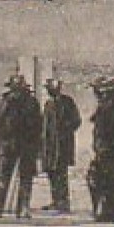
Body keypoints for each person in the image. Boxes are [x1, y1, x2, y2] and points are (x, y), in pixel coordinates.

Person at [0, 74, 40, 218]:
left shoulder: (31, 103)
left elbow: (38, 125)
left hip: (24, 145)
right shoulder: (5, 102)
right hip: (9, 144)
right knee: (3, 176)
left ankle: (22, 208)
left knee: (24, 177)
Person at [86, 77, 114, 222]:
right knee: (109, 179)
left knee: (110, 179)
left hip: (111, 150)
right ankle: (113, 210)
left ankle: (112, 211)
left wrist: (107, 147)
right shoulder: (108, 106)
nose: (96, 94)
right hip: (107, 149)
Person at [41, 78, 81, 214]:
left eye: (51, 89)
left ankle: (63, 202)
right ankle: (55, 200)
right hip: (49, 145)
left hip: (62, 144)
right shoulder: (48, 104)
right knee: (51, 172)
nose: (49, 91)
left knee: (61, 173)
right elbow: (45, 125)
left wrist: (64, 130)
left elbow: (76, 121)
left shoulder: (67, 102)